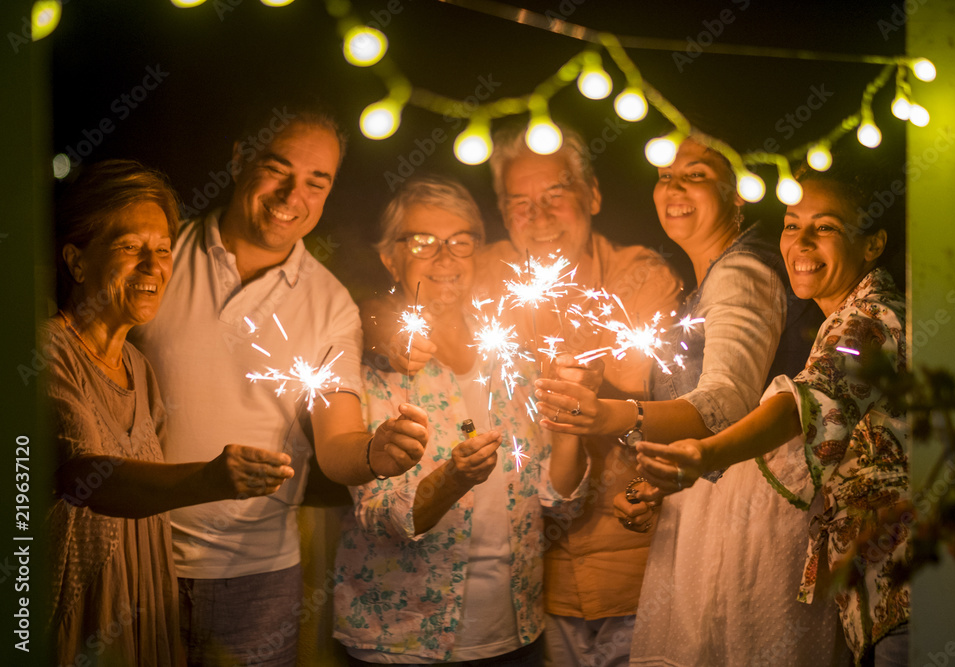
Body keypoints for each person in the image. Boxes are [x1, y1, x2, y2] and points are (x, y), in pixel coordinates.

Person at [364, 125, 684, 666]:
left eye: (556, 194)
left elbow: (648, 390)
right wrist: (381, 329)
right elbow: (416, 280)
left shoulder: (638, 278)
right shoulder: (481, 272)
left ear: (593, 195)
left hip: (631, 573)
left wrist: (584, 392)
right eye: (519, 203)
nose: (538, 216)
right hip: (537, 597)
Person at [130, 104, 429, 666]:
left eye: (317, 182)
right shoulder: (161, 258)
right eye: (278, 168)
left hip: (258, 578)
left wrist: (375, 452)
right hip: (138, 558)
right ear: (241, 158)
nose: (294, 195)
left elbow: (338, 446)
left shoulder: (330, 304)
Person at [534, 135, 846, 666]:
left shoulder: (742, 272)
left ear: (737, 193)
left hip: (755, 526)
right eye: (664, 175)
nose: (674, 187)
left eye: (695, 175)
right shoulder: (714, 275)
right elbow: (699, 417)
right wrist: (653, 480)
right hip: (719, 512)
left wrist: (611, 414)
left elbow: (728, 401)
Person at [636, 162, 909, 666]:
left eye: (825, 227)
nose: (801, 242)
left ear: (872, 244)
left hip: (906, 592)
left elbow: (800, 409)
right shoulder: (846, 318)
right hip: (874, 595)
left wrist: (702, 452)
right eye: (791, 225)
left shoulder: (871, 320)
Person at [44, 159, 296, 666]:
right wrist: (208, 480)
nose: (152, 267)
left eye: (162, 251)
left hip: (142, 612)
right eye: (130, 248)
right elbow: (86, 478)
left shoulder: (138, 366)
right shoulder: (45, 354)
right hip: (79, 617)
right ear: (76, 261)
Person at [334, 175, 589, 665]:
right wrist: (452, 479)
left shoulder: (510, 355)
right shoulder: (370, 364)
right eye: (424, 242)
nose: (445, 258)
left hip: (516, 631)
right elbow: (381, 516)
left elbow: (555, 499)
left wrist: (570, 419)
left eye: (460, 242)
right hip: (403, 642)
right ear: (391, 256)